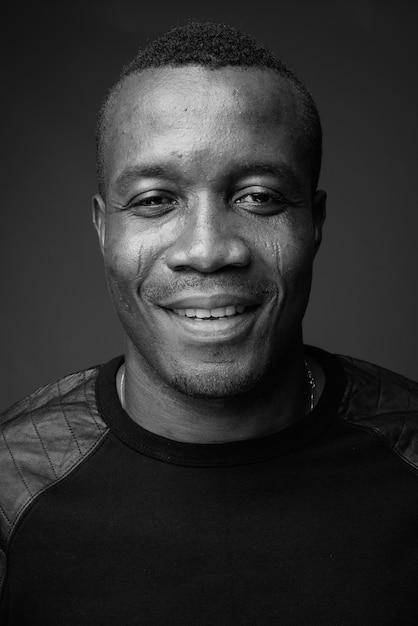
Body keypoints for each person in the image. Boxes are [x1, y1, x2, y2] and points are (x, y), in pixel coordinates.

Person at [0, 20, 417, 625]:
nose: (207, 248)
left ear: (314, 223)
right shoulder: (11, 488)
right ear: (103, 228)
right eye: (153, 200)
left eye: (258, 197)